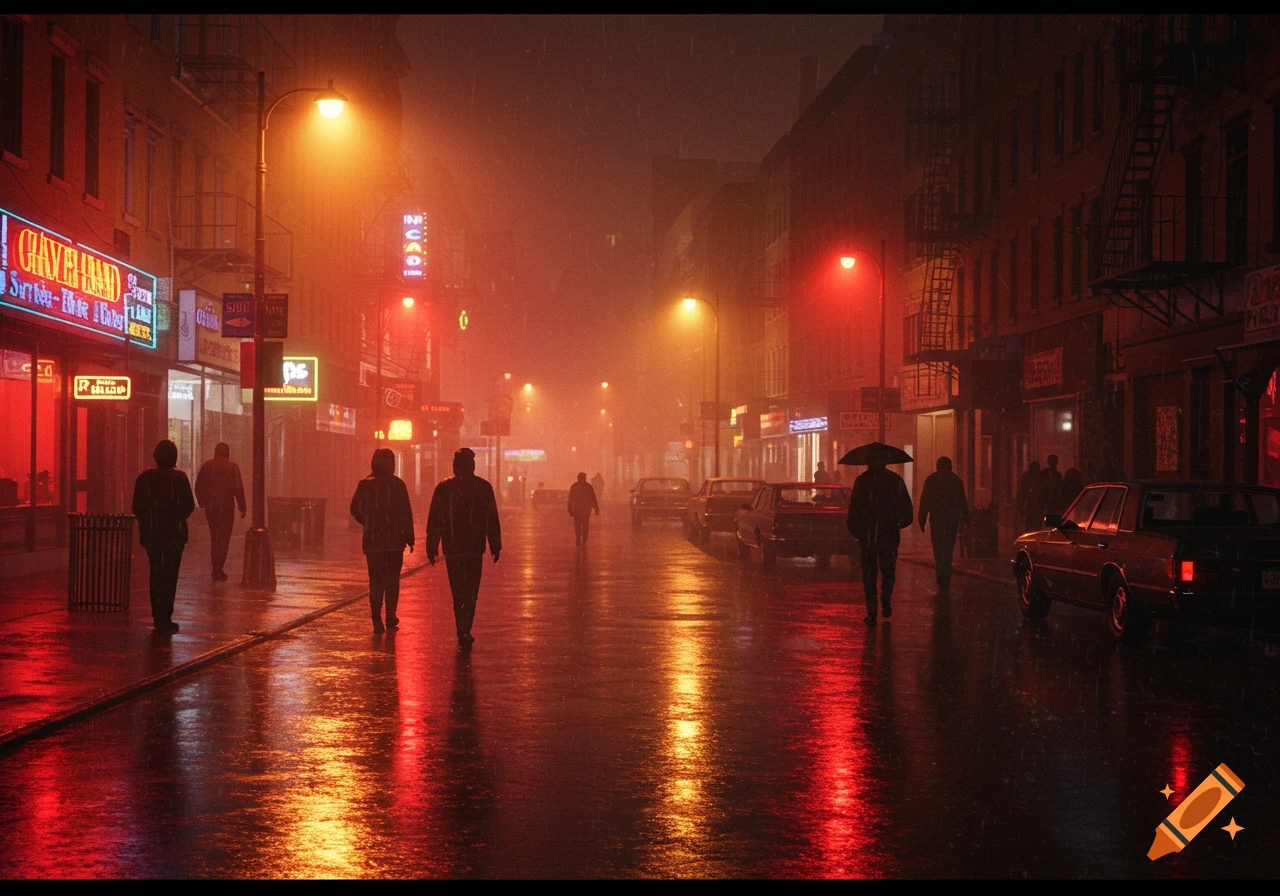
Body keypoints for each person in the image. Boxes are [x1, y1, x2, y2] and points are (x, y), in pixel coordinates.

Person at [427, 447, 502, 645]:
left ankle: (462, 625)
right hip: (474, 549)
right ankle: (465, 626)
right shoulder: (483, 487)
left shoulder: (444, 488)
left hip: (453, 548)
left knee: (457, 589)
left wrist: (432, 544)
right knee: (470, 590)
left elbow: (435, 519)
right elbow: (491, 519)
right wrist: (495, 544)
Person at [131, 440, 196, 633]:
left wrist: (150, 521)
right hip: (173, 535)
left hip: (152, 534)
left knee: (156, 573)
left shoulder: (144, 478)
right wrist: (174, 518)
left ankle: (157, 613)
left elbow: (137, 506)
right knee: (169, 575)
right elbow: (189, 505)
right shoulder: (179, 477)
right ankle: (166, 615)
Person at [846, 445, 914, 625]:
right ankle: (885, 600)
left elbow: (854, 508)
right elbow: (906, 509)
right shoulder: (895, 480)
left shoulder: (862, 481)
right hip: (888, 535)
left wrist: (855, 528)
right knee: (888, 571)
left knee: (870, 574)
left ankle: (873, 610)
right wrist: (898, 522)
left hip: (869, 536)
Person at [350, 447, 415, 634]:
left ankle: (376, 618)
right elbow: (406, 513)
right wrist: (409, 537)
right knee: (392, 581)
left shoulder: (365, 484)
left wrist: (367, 521)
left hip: (373, 542)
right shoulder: (398, 485)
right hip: (394, 542)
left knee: (376, 581)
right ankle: (390, 615)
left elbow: (354, 509)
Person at [194, 442, 246, 582]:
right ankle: (218, 569)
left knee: (214, 537)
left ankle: (215, 568)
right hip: (227, 508)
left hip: (211, 508)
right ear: (227, 452)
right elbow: (238, 488)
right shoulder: (232, 467)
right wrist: (242, 507)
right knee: (224, 538)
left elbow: (198, 485)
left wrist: (203, 502)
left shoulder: (207, 466)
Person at [918, 456, 969, 594]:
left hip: (937, 520)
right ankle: (946, 574)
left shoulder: (931, 480)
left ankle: (941, 575)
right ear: (950, 466)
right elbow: (962, 500)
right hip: (952, 519)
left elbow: (925, 501)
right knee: (948, 548)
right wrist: (966, 519)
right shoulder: (956, 480)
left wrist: (921, 519)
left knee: (938, 547)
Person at [568, 472, 600, 546]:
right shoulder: (588, 487)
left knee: (578, 525)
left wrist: (570, 510)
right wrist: (596, 509)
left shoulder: (575, 486)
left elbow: (570, 499)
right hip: (585, 510)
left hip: (578, 510)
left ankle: (579, 538)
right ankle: (582, 540)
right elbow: (593, 499)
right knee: (584, 525)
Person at [1015, 460, 1043, 534]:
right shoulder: (1039, 477)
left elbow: (1022, 492)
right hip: (1033, 506)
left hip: (1032, 506)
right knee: (1035, 527)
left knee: (1031, 527)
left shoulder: (1028, 476)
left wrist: (1020, 505)